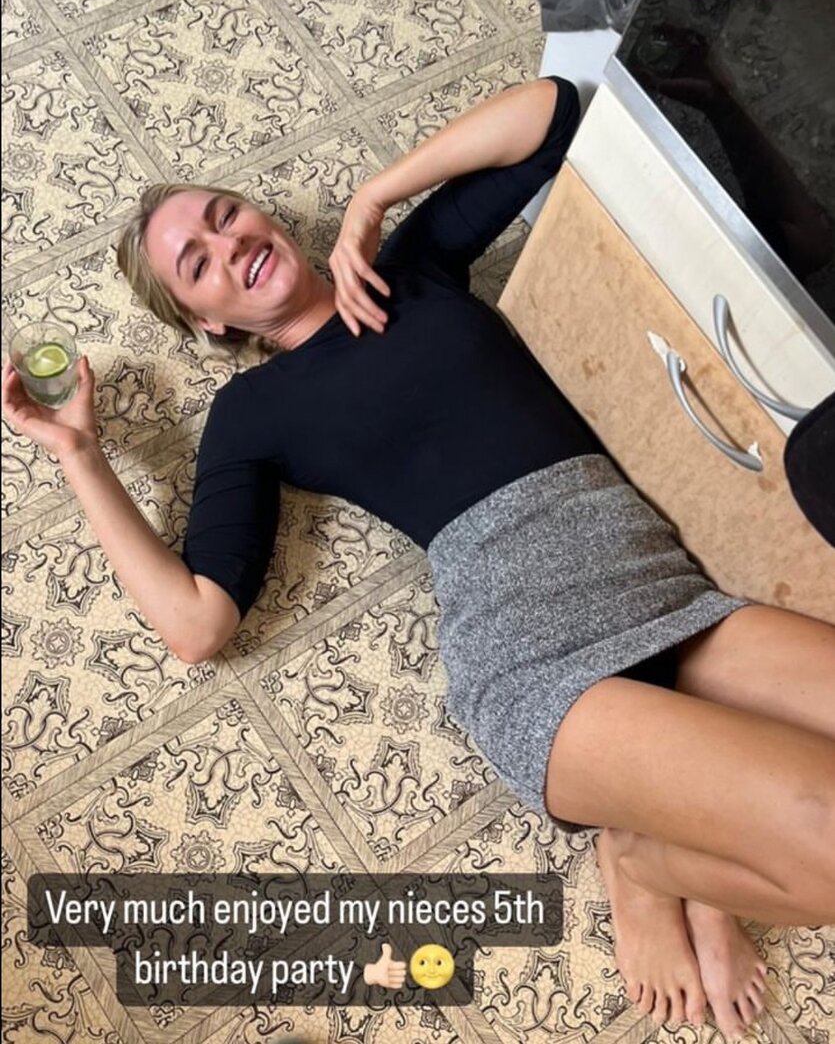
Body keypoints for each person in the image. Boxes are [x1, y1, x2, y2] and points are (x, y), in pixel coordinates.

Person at [4, 73, 834, 1041]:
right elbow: (196, 623)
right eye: (198, 263)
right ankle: (645, 861)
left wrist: (374, 198)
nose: (230, 246)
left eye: (226, 217)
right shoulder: (252, 412)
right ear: (208, 322)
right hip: (532, 653)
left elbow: (555, 111)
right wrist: (79, 455)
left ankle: (675, 831)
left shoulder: (412, 269)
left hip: (658, 587)